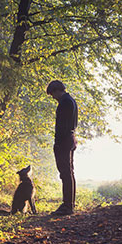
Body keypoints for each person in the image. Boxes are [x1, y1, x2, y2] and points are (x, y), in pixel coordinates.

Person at [46, 80, 78, 215]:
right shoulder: (71, 100)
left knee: (65, 172)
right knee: (69, 172)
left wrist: (57, 143)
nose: (53, 97)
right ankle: (69, 204)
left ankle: (67, 206)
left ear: (56, 90)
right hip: (70, 138)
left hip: (64, 140)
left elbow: (62, 126)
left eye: (52, 94)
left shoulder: (65, 102)